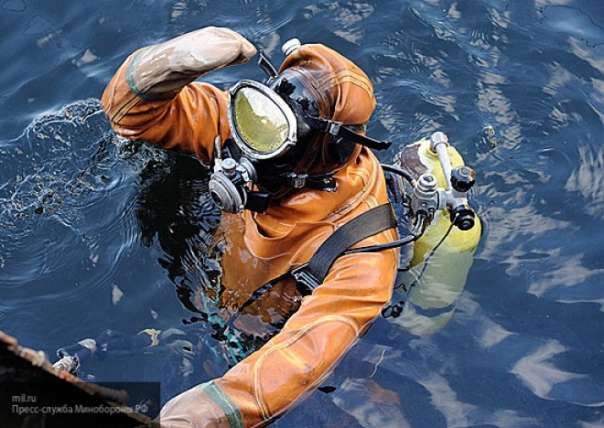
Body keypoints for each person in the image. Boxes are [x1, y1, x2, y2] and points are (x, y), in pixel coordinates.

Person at [101, 26, 399, 428]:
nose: (245, 153)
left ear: (316, 156)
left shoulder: (365, 253)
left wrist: (210, 410)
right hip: (214, 310)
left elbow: (304, 356)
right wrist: (169, 64)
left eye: (274, 142)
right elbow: (129, 116)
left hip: (280, 345)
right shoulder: (247, 128)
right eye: (256, 121)